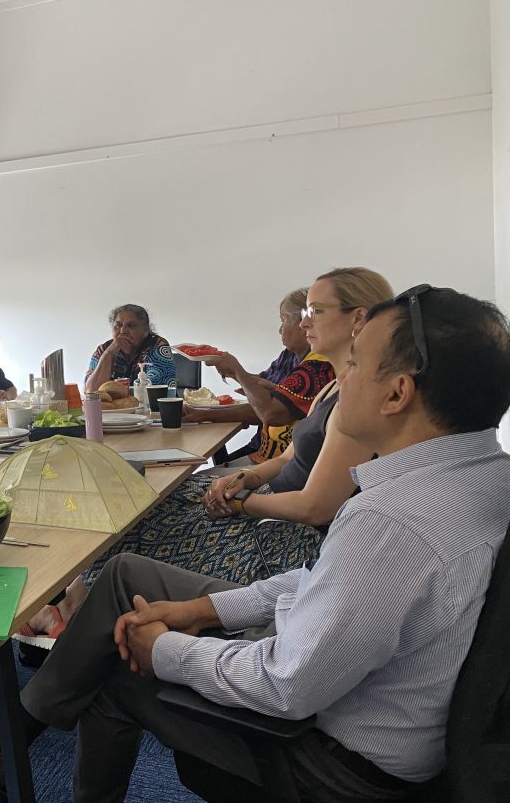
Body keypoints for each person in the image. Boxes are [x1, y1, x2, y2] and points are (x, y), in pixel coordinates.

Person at [0, 285, 510, 803]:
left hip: (335, 759)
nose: (342, 377)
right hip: (364, 686)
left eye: (356, 363)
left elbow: (287, 684)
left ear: (397, 393)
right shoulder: (481, 474)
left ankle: (13, 743)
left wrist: (166, 647)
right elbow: (321, 579)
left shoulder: (391, 522)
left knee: (113, 667)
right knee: (126, 572)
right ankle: (5, 736)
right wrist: (201, 613)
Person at [21, 268, 393, 643]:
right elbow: (286, 459)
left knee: (146, 521)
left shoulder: (359, 399)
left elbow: (316, 508)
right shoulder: (335, 383)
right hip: (272, 501)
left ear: (358, 318)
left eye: (315, 311)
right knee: (143, 504)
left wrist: (243, 504)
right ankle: (72, 608)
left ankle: (76, 614)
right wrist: (244, 479)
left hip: (289, 537)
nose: (303, 320)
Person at [191, 287, 335, 468]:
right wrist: (233, 372)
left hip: (283, 464)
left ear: (304, 323)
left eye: (284, 320)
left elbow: (269, 412)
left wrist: (237, 370)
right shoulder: (289, 356)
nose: (280, 329)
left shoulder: (319, 367)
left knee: (183, 485)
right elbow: (262, 386)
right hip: (264, 452)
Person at [84, 304, 175, 395]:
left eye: (131, 326)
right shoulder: (104, 349)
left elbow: (155, 392)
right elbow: (91, 393)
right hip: (113, 409)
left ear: (146, 329)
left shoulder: (158, 346)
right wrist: (108, 354)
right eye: (118, 325)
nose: (123, 331)